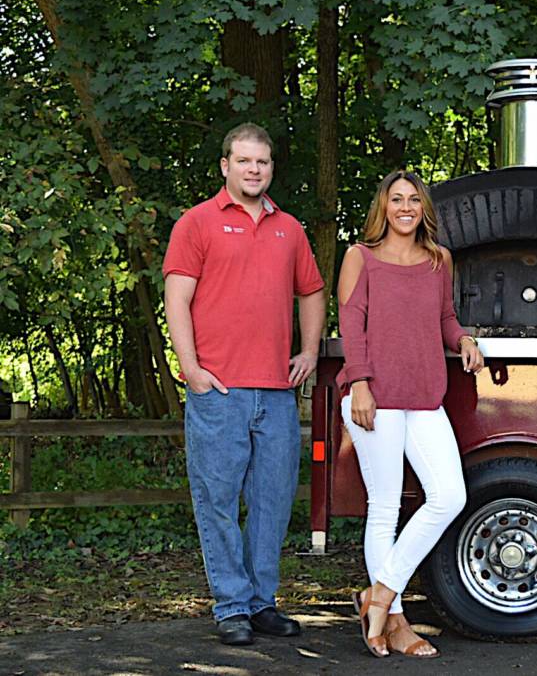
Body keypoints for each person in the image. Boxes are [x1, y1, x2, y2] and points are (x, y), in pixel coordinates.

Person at [163, 123, 326, 646]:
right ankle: (231, 605)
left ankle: (261, 603)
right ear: (225, 166)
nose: (254, 169)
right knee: (217, 501)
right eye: (244, 161)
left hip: (276, 393)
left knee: (273, 502)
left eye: (262, 162)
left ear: (271, 167)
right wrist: (191, 369)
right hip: (220, 393)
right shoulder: (197, 224)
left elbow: (313, 293)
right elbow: (177, 299)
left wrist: (308, 349)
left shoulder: (290, 229)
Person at [336, 170, 483, 659]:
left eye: (413, 200)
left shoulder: (439, 260)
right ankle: (394, 622)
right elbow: (350, 325)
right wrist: (358, 384)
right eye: (396, 199)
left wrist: (462, 339)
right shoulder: (361, 257)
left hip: (424, 396)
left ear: (423, 208)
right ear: (384, 206)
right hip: (374, 394)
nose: (405, 207)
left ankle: (377, 596)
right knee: (384, 507)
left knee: (449, 496)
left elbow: (443, 318)